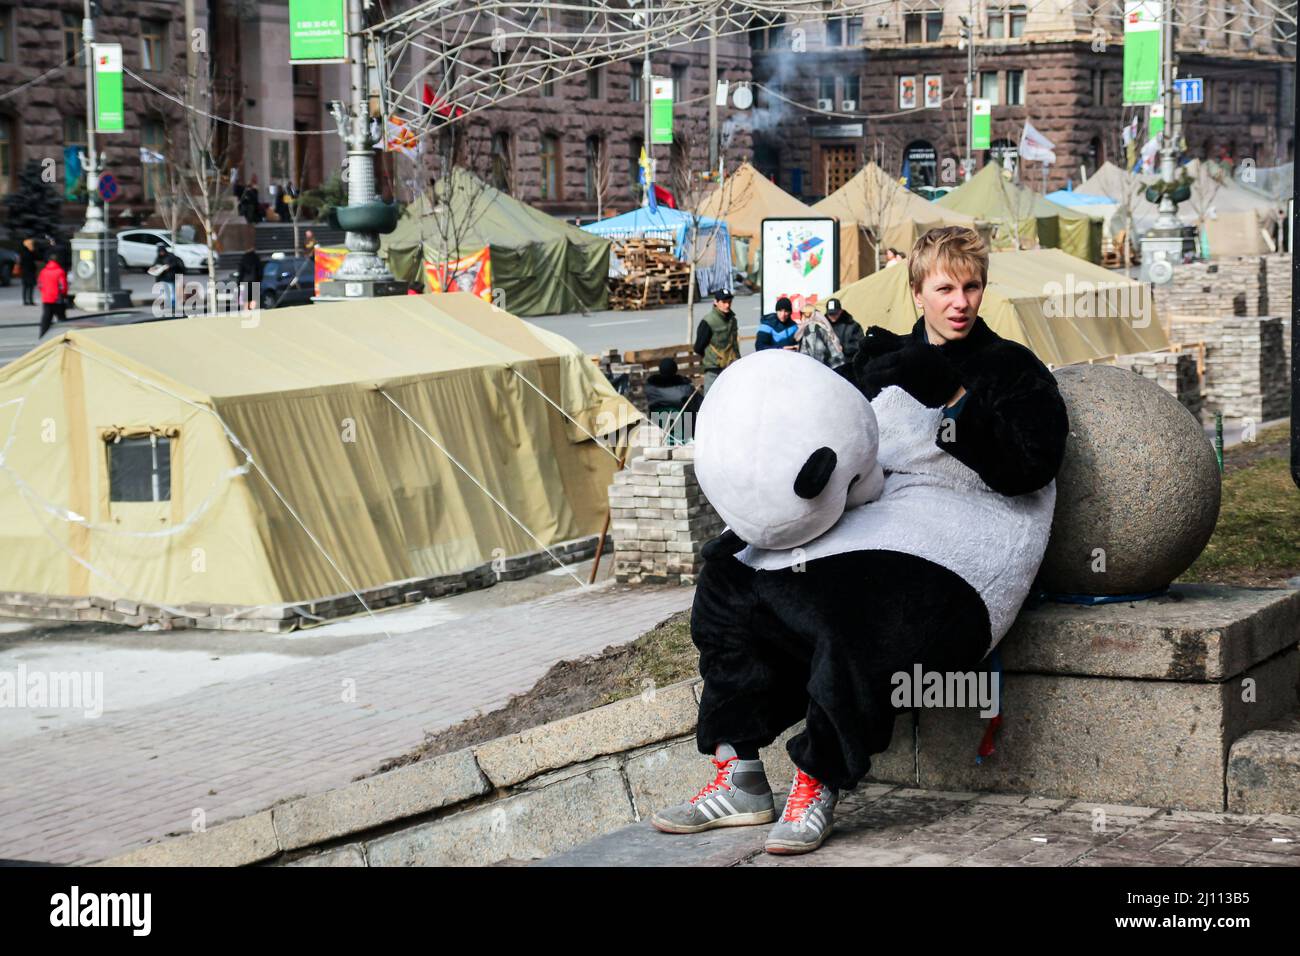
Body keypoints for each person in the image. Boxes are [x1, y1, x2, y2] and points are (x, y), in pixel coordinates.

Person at [653, 225, 1069, 854]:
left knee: (861, 604)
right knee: (729, 579)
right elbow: (830, 440)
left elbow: (1029, 468)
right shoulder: (885, 361)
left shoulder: (1011, 367)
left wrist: (955, 400)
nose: (960, 301)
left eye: (973, 286)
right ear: (917, 290)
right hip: (878, 518)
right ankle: (738, 776)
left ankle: (817, 779)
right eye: (945, 287)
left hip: (965, 540)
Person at [693, 288, 740, 394]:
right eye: (724, 302)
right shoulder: (708, 321)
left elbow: (734, 344)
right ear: (716, 302)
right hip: (713, 369)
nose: (727, 305)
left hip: (731, 367)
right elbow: (698, 347)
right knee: (710, 400)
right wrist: (712, 358)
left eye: (729, 302)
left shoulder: (732, 320)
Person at [36, 252, 68, 338]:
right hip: (57, 299)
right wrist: (64, 294)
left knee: (46, 318)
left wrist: (44, 293)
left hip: (46, 299)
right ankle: (64, 336)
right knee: (62, 319)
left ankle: (42, 335)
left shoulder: (43, 271)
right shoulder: (60, 271)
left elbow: (39, 285)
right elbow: (63, 286)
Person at [823, 297, 864, 362]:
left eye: (835, 313)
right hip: (828, 364)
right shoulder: (822, 325)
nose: (833, 316)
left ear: (841, 311)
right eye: (830, 314)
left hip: (847, 363)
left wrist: (843, 348)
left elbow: (860, 344)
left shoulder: (852, 325)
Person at [152, 242, 186, 316]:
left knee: (172, 295)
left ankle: (173, 308)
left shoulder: (171, 256)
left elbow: (176, 264)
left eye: (162, 251)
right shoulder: (158, 258)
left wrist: (169, 266)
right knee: (165, 295)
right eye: (160, 251)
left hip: (171, 278)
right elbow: (155, 268)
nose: (161, 253)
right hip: (163, 279)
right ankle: (170, 307)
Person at [236, 245, 262, 310]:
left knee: (245, 299)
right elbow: (260, 271)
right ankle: (253, 311)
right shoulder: (256, 258)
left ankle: (246, 311)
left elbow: (241, 272)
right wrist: (259, 280)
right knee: (254, 298)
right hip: (255, 281)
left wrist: (238, 282)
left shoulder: (243, 258)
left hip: (244, 282)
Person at [19, 237, 38, 306]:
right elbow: (35, 259)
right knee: (30, 287)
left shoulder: (22, 252)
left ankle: (25, 301)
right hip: (30, 271)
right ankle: (30, 300)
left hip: (25, 272)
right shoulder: (30, 252)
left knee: (25, 287)